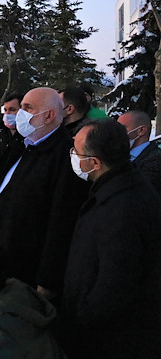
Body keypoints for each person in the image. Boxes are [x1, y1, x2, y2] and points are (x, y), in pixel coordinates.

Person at [60, 119, 161, 358]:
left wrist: (79, 320)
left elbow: (114, 284)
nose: (72, 155)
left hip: (112, 340)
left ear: (94, 162)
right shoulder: (116, 188)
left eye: (76, 151)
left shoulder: (123, 207)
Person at [0, 87, 89, 303]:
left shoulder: (64, 157)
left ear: (49, 115)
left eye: (27, 108)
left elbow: (62, 223)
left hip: (27, 273)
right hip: (0, 261)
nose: (19, 113)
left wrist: (47, 280)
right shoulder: (22, 146)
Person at [117, 110, 161, 196]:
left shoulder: (156, 160)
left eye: (122, 129)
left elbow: (133, 190)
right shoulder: (121, 154)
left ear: (141, 130)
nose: (117, 134)